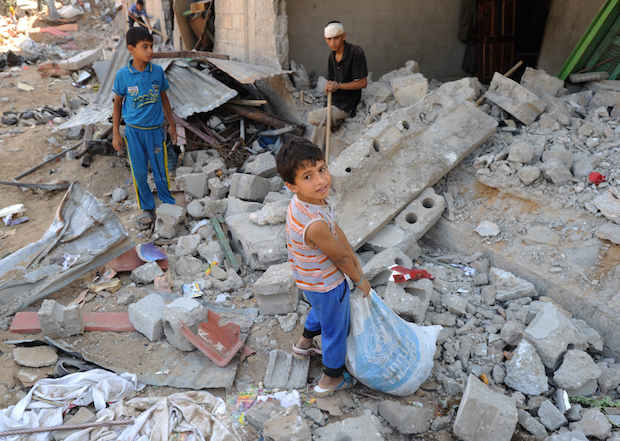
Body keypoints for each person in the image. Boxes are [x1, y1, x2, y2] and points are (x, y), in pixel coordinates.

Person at [275, 138, 371, 397]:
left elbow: (336, 231)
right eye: (308, 176)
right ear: (291, 186)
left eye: (322, 169)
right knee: (335, 329)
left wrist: (353, 256)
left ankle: (304, 344)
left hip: (309, 279)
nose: (321, 180)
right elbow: (338, 258)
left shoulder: (306, 204)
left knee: (320, 311)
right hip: (328, 283)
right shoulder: (313, 223)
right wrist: (359, 278)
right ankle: (331, 379)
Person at [112, 27, 177, 230]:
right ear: (131, 49)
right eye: (145, 47)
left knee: (160, 171)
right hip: (134, 132)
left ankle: (168, 203)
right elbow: (117, 104)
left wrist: (172, 125)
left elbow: (164, 98)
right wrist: (116, 133)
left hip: (156, 131)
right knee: (139, 172)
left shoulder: (157, 71)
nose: (150, 51)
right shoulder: (123, 75)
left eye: (152, 46)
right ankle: (147, 207)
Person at [308, 21, 368, 152]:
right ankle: (314, 156)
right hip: (333, 102)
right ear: (325, 40)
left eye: (336, 38)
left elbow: (363, 83)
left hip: (347, 104)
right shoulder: (331, 57)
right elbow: (328, 85)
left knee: (313, 117)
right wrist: (329, 87)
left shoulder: (355, 52)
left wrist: (339, 86)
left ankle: (312, 157)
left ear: (343, 36)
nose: (333, 42)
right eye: (329, 39)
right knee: (323, 122)